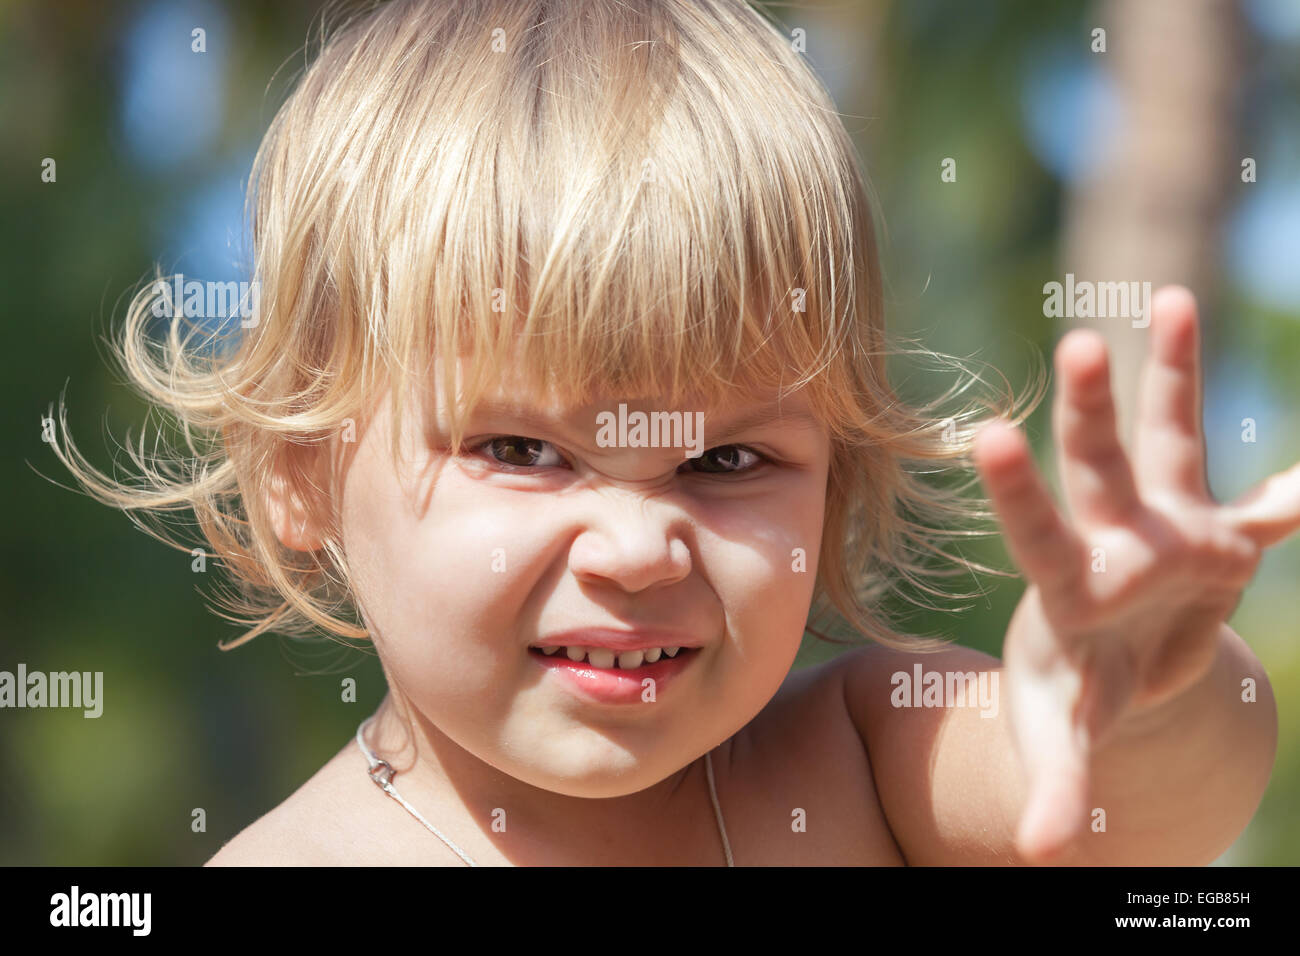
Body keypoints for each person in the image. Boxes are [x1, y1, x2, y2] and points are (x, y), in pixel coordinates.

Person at [49, 0, 1295, 865]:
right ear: (301, 476)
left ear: (835, 484)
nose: (639, 546)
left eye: (727, 460)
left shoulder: (862, 757)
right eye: (522, 451)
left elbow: (1131, 807)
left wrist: (1141, 691)